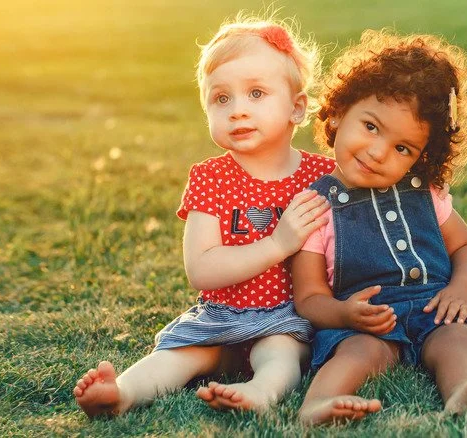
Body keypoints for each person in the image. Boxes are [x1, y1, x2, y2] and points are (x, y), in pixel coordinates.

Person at [72, 15, 335, 418]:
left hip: (287, 316)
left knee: (280, 355)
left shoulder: (321, 177)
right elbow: (201, 270)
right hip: (220, 315)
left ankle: (259, 393)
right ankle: (121, 392)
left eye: (256, 93)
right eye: (221, 98)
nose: (237, 111)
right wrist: (278, 244)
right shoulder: (210, 177)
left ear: (296, 108)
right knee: (179, 355)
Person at [291, 30, 467, 425]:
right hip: (367, 320)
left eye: (402, 148)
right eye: (371, 127)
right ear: (338, 111)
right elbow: (308, 297)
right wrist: (345, 315)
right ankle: (319, 402)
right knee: (360, 352)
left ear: (423, 157)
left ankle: (463, 391)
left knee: (458, 337)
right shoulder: (315, 207)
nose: (378, 152)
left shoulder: (426, 194)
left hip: (433, 307)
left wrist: (461, 290)